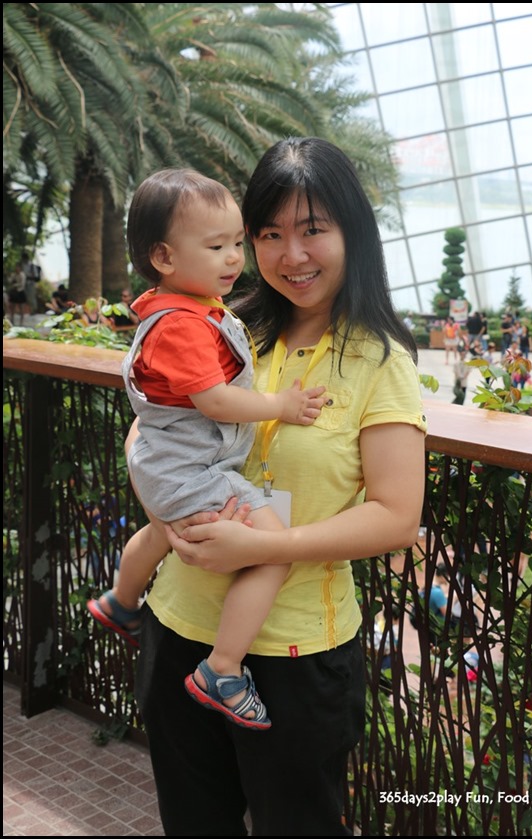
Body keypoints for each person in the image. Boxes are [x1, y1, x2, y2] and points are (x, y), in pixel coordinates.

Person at [132, 137, 427, 836]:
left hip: (294, 659)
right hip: (178, 630)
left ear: (351, 231)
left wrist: (265, 543)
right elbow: (154, 425)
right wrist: (159, 499)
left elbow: (395, 518)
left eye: (312, 229)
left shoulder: (379, 363)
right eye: (269, 233)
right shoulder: (224, 329)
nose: (290, 255)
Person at [87, 168, 327, 731]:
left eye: (238, 243)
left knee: (161, 530)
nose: (233, 258)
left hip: (167, 465)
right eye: (216, 246)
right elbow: (216, 403)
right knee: (275, 550)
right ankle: (222, 668)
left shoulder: (179, 311)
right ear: (165, 258)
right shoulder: (183, 325)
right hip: (193, 469)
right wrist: (281, 406)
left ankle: (121, 603)